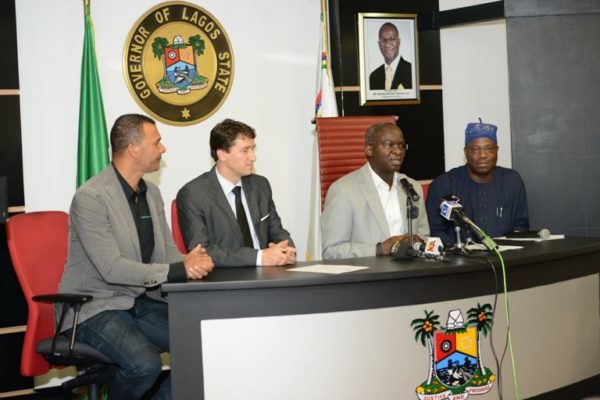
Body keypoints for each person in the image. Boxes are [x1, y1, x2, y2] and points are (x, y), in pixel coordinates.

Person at [58, 114, 214, 400]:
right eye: (157, 142)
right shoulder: (91, 197)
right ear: (133, 148)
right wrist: (179, 270)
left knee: (203, 346)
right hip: (95, 306)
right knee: (144, 364)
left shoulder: (151, 193)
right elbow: (111, 268)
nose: (163, 149)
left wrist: (190, 261)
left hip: (141, 300)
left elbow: (166, 253)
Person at [176, 118, 296, 267]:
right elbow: (202, 252)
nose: (253, 157)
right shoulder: (193, 194)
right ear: (222, 154)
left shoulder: (260, 185)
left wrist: (287, 251)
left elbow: (277, 231)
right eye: (245, 150)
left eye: (253, 149)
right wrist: (260, 257)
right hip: (225, 281)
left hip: (269, 274)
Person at [321, 122, 429, 259]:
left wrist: (419, 242)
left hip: (410, 274)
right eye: (389, 145)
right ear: (369, 150)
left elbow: (425, 236)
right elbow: (331, 251)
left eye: (401, 145)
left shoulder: (411, 187)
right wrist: (379, 249)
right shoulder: (343, 190)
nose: (398, 151)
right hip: (369, 277)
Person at [425, 118, 530, 245]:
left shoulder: (512, 181)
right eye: (475, 149)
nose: (482, 155)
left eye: (489, 149)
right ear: (466, 152)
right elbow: (435, 231)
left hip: (505, 259)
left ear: (496, 151)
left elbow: (521, 226)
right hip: (462, 261)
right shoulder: (444, 184)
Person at [369, 22, 412, 91]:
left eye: (392, 39)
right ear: (379, 44)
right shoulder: (373, 77)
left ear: (399, 42)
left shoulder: (412, 71)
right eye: (383, 40)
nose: (387, 45)